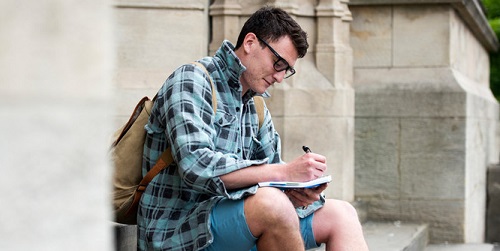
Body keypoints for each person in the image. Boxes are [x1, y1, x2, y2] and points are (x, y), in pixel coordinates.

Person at [137, 6, 368, 251]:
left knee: (341, 214)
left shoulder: (255, 106)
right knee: (272, 205)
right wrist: (283, 173)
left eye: (286, 70)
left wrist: (299, 193)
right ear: (250, 42)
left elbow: (272, 176)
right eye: (278, 63)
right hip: (178, 231)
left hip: (238, 220)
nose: (279, 77)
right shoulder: (193, 79)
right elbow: (196, 166)